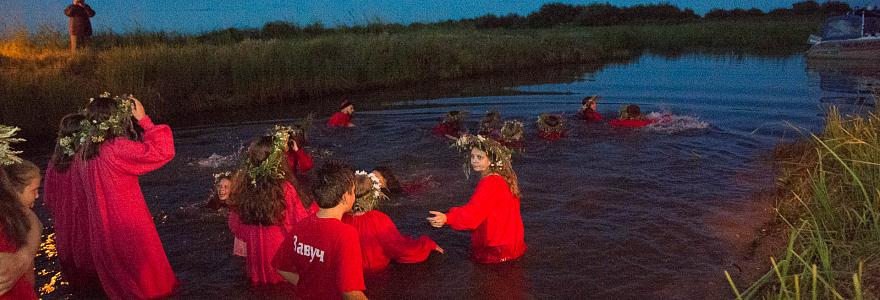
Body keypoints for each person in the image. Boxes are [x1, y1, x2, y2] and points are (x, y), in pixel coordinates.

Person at [79, 93, 177, 299]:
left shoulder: (85, 152)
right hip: (127, 227)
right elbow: (162, 151)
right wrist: (144, 120)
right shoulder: (114, 148)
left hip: (103, 231)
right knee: (149, 286)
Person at [228, 129, 317, 285]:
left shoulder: (243, 187)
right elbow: (300, 222)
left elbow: (236, 226)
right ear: (277, 160)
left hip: (255, 252)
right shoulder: (285, 189)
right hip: (279, 250)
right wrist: (318, 207)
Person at [273, 161, 367, 299]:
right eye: (353, 191)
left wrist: (309, 286)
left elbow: (280, 267)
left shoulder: (301, 226)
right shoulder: (345, 234)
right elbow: (350, 292)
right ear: (345, 197)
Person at [427, 135, 526, 264]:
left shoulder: (490, 183)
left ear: (491, 160)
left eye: (479, 157)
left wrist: (448, 218)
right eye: (472, 156)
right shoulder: (505, 179)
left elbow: (472, 215)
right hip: (514, 245)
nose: (474, 161)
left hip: (496, 250)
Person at [43, 113, 101, 294]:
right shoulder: (85, 162)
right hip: (85, 224)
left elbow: (48, 198)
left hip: (64, 226)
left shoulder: (54, 164)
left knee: (76, 282)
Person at [342, 171, 442, 272]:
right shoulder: (378, 219)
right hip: (375, 271)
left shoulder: (339, 217)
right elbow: (399, 249)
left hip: (348, 270)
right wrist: (427, 244)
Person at [0, 127, 41, 300]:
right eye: (34, 191)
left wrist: (23, 257)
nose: (38, 196)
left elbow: (33, 220)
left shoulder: (12, 213)